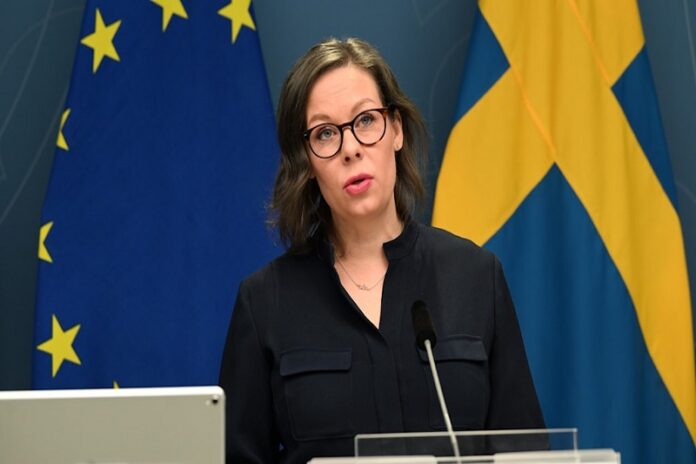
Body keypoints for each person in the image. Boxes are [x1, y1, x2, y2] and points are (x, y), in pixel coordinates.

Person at [219, 37, 544, 464]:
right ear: (307, 164)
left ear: (396, 130)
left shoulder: (476, 277)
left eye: (366, 120)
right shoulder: (264, 302)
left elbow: (526, 452)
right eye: (325, 133)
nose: (351, 148)